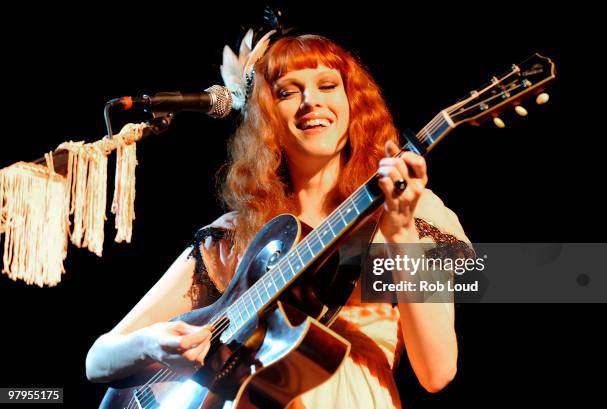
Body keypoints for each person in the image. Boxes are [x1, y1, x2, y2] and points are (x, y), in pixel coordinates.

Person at [86, 33, 471, 408]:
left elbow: (437, 372)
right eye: (287, 92)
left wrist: (401, 231)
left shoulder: (406, 209)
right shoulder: (235, 231)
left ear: (354, 102)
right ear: (267, 118)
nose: (310, 102)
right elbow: (99, 360)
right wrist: (154, 345)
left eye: (327, 85)